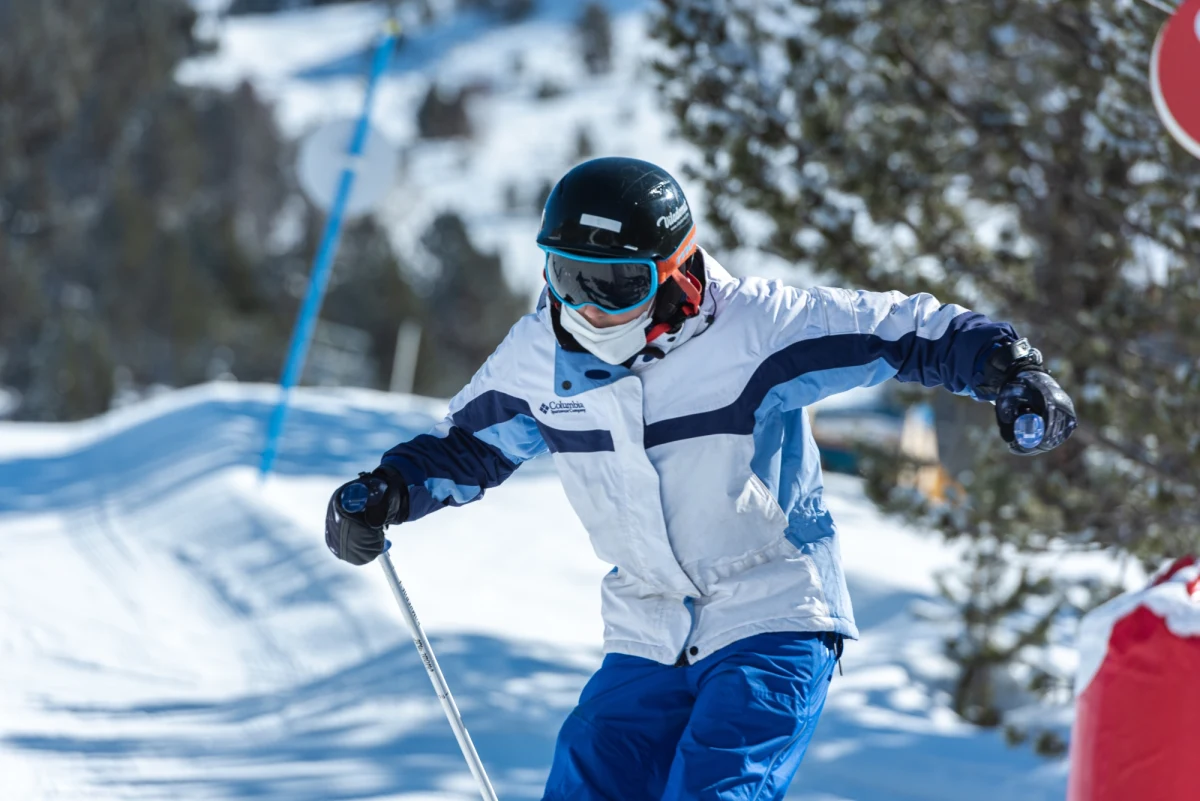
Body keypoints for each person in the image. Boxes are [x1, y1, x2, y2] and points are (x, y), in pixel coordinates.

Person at [324, 157, 1077, 800]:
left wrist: (1008, 367)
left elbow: (901, 329)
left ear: (674, 273)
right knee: (587, 777)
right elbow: (465, 446)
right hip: (649, 622)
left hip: (772, 612)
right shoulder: (538, 356)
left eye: (614, 283)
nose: (584, 305)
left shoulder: (757, 330)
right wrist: (386, 491)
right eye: (566, 274)